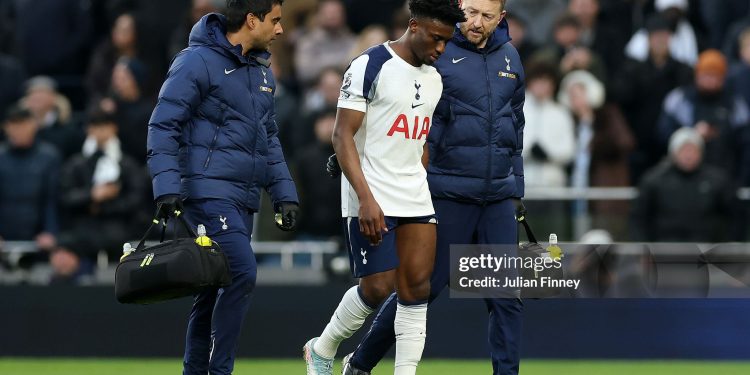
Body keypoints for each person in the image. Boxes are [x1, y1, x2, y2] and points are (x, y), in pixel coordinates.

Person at [340, 0, 526, 374]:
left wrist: (516, 189)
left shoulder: (511, 58)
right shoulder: (436, 51)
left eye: (486, 16)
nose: (475, 22)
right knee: (421, 289)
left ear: (501, 18)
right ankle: (360, 363)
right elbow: (400, 114)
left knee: (507, 298)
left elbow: (515, 128)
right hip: (446, 191)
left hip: (498, 198)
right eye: (470, 12)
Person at [302, 1, 465, 375]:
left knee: (416, 290)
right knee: (376, 288)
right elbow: (341, 134)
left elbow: (419, 140)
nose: (441, 48)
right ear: (414, 26)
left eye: (447, 42)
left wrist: (418, 172)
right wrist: (365, 198)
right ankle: (322, 349)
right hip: (369, 191)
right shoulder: (370, 64)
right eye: (437, 39)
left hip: (414, 192)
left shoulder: (435, 78)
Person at [146, 1, 299, 374]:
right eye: (275, 21)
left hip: (242, 198)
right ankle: (220, 371)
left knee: (211, 288)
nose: (280, 30)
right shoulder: (195, 62)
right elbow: (163, 124)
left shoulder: (262, 73)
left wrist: (284, 193)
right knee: (242, 270)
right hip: (205, 191)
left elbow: (269, 136)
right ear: (251, 20)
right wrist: (166, 186)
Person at [631, 127, 735, 242]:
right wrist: (643, 248)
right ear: (673, 153)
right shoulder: (654, 180)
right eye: (684, 150)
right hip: (665, 247)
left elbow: (735, 215)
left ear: (701, 152)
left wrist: (728, 245)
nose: (689, 155)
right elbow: (639, 217)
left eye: (693, 150)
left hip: (707, 248)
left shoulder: (717, 180)